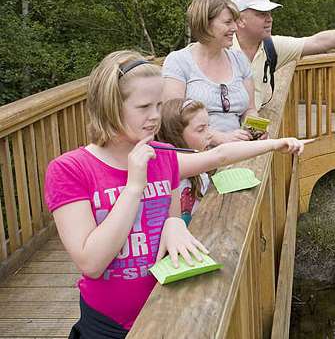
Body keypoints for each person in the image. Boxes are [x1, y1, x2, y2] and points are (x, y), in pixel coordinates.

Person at [44, 50, 310, 338]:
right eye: (144, 106)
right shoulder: (70, 169)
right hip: (107, 325)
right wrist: (134, 186)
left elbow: (219, 155)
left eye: (159, 105)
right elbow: (91, 263)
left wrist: (274, 145)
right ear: (110, 107)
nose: (155, 116)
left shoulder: (162, 156)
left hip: (168, 305)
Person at [162, 0, 258, 145]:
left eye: (234, 21)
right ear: (205, 24)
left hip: (239, 149)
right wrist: (222, 138)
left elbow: (250, 109)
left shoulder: (240, 60)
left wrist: (255, 130)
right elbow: (173, 118)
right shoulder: (178, 61)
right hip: (198, 155)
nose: (235, 28)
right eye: (228, 22)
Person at [157, 98, 211, 227]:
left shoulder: (201, 173)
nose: (209, 134)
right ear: (175, 135)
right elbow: (222, 156)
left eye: (209, 126)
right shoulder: (168, 171)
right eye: (200, 129)